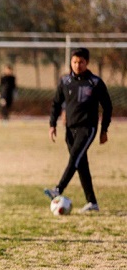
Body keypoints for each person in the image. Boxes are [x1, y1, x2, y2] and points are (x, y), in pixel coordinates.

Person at [44, 47, 113, 213]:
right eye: (74, 62)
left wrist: (104, 130)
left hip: (87, 128)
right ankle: (92, 202)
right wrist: (52, 124)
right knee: (81, 164)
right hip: (69, 129)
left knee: (74, 158)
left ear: (87, 63)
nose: (77, 65)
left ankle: (58, 189)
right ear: (70, 62)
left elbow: (108, 106)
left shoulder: (95, 83)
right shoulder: (65, 81)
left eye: (81, 62)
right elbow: (56, 103)